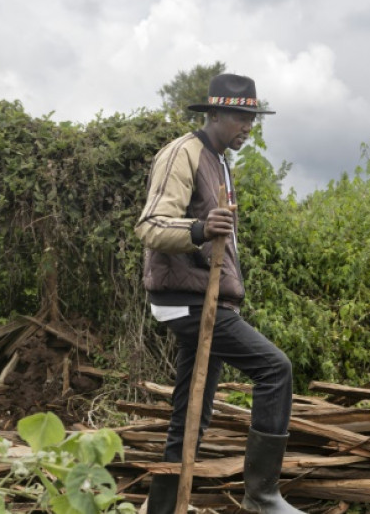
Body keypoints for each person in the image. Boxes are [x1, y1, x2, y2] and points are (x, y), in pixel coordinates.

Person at [135, 73, 303, 514]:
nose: (248, 126)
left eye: (252, 117)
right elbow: (150, 226)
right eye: (240, 116)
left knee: (190, 417)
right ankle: (262, 496)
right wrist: (197, 228)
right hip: (187, 301)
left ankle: (162, 510)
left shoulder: (222, 162)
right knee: (275, 369)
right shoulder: (182, 154)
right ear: (213, 114)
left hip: (208, 299)